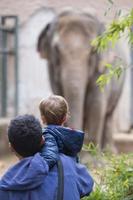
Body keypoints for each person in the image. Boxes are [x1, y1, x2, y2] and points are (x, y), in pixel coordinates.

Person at [0, 115, 94, 200]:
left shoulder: (6, 184)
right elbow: (88, 185)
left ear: (11, 147)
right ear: (42, 140)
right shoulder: (68, 164)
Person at [39, 95, 85, 168]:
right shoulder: (71, 136)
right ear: (65, 118)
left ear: (42, 118)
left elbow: (49, 158)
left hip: (54, 177)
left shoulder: (47, 135)